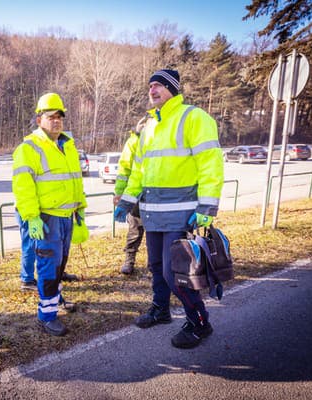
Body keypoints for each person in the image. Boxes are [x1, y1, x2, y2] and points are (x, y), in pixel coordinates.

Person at [114, 69, 224, 349]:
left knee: (175, 274)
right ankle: (161, 310)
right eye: (150, 85)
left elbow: (210, 164)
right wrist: (127, 200)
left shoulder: (193, 117)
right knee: (156, 267)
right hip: (152, 214)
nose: (152, 90)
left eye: (159, 85)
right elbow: (138, 170)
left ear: (173, 88)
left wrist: (207, 207)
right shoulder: (149, 126)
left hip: (181, 213)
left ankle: (200, 322)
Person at [12, 92, 87, 336]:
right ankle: (47, 315)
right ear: (39, 119)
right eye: (50, 116)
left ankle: (54, 298)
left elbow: (76, 181)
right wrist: (31, 216)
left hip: (66, 217)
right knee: (47, 267)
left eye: (59, 116)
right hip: (45, 219)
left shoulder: (68, 146)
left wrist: (80, 211)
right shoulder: (29, 148)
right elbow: (23, 186)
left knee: (60, 264)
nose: (56, 120)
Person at [114, 128, 144, 275]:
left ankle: (156, 262)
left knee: (157, 231)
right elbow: (124, 170)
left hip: (158, 194)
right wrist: (120, 192)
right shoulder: (133, 142)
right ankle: (129, 260)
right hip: (135, 195)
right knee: (135, 229)